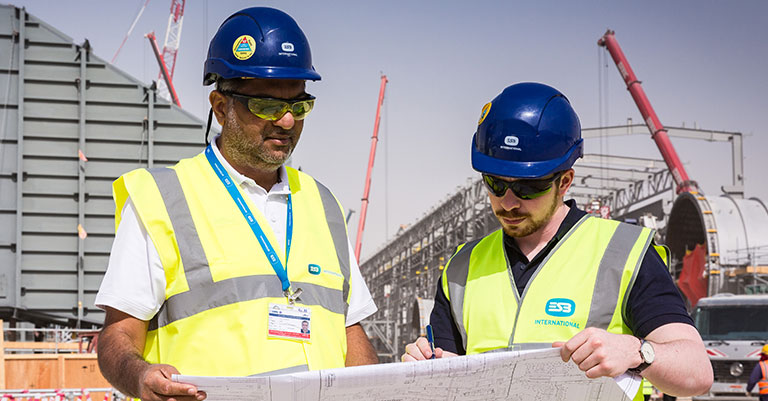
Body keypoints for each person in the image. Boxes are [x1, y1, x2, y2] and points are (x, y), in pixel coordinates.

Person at [96, 7, 378, 401]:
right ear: (220, 105)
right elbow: (117, 334)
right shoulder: (163, 198)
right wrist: (140, 376)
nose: (285, 122)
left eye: (298, 107)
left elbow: (351, 331)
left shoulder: (322, 204)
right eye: (266, 106)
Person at [402, 82, 713, 399]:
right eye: (495, 184)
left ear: (564, 181)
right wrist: (428, 368)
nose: (508, 202)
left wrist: (638, 352)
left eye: (528, 187)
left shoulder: (624, 254)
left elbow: (697, 372)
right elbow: (450, 374)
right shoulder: (462, 269)